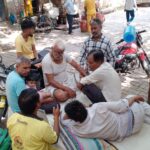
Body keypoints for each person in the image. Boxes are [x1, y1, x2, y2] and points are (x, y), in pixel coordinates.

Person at [61, 96, 150, 141]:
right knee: (130, 99)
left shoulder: (77, 131)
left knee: (130, 107)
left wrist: (66, 115)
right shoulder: (98, 107)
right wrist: (135, 97)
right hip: (134, 114)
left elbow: (63, 120)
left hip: (131, 131)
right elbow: (123, 106)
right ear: (84, 107)